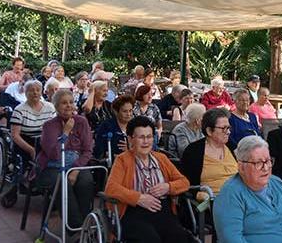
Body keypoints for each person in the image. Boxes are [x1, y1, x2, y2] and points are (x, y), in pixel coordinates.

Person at [214, 135, 282, 243]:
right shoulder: (230, 194)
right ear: (241, 167)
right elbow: (231, 238)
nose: (265, 168)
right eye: (258, 163)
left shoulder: (278, 183)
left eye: (268, 161)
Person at [103, 115, 192, 243]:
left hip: (162, 210)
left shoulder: (161, 158)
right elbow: (111, 188)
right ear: (130, 139)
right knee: (150, 239)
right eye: (141, 137)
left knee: (179, 238)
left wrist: (168, 187)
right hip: (134, 213)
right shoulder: (123, 160)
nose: (146, 141)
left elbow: (184, 182)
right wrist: (139, 198)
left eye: (149, 137)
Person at [36, 89, 94, 229]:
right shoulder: (49, 125)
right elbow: (54, 154)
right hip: (51, 167)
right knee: (62, 183)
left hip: (75, 165)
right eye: (64, 103)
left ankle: (85, 224)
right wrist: (66, 133)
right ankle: (75, 228)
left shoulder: (82, 121)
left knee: (86, 180)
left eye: (71, 102)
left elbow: (87, 151)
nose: (68, 106)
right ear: (56, 107)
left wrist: (75, 170)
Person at [180, 108, 237, 194]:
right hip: (213, 200)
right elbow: (187, 186)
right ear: (209, 131)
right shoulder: (193, 152)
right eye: (224, 128)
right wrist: (198, 195)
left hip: (240, 197)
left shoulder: (231, 146)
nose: (228, 132)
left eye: (229, 128)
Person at [9, 80, 55, 162]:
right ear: (26, 93)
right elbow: (15, 136)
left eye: (38, 90)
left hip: (45, 140)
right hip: (25, 142)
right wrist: (31, 150)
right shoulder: (19, 110)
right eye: (31, 90)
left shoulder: (50, 107)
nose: (35, 93)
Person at [94, 95, 135, 162]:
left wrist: (130, 150)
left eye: (130, 110)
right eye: (125, 111)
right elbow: (98, 150)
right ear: (116, 112)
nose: (129, 114)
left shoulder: (137, 126)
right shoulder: (106, 126)